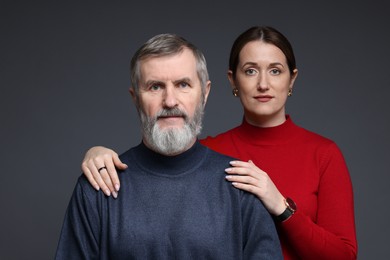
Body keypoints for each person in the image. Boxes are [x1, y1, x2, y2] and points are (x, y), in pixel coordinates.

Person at [81, 26, 358, 259]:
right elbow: (166, 155)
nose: (263, 84)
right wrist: (98, 153)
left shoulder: (323, 153)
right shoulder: (212, 152)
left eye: (275, 70)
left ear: (291, 79)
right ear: (232, 80)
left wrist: (281, 206)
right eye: (250, 71)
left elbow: (345, 254)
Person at [55, 33, 282, 259]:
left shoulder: (241, 187)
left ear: (204, 93)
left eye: (183, 84)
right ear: (135, 98)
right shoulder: (99, 187)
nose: (170, 101)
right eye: (155, 87)